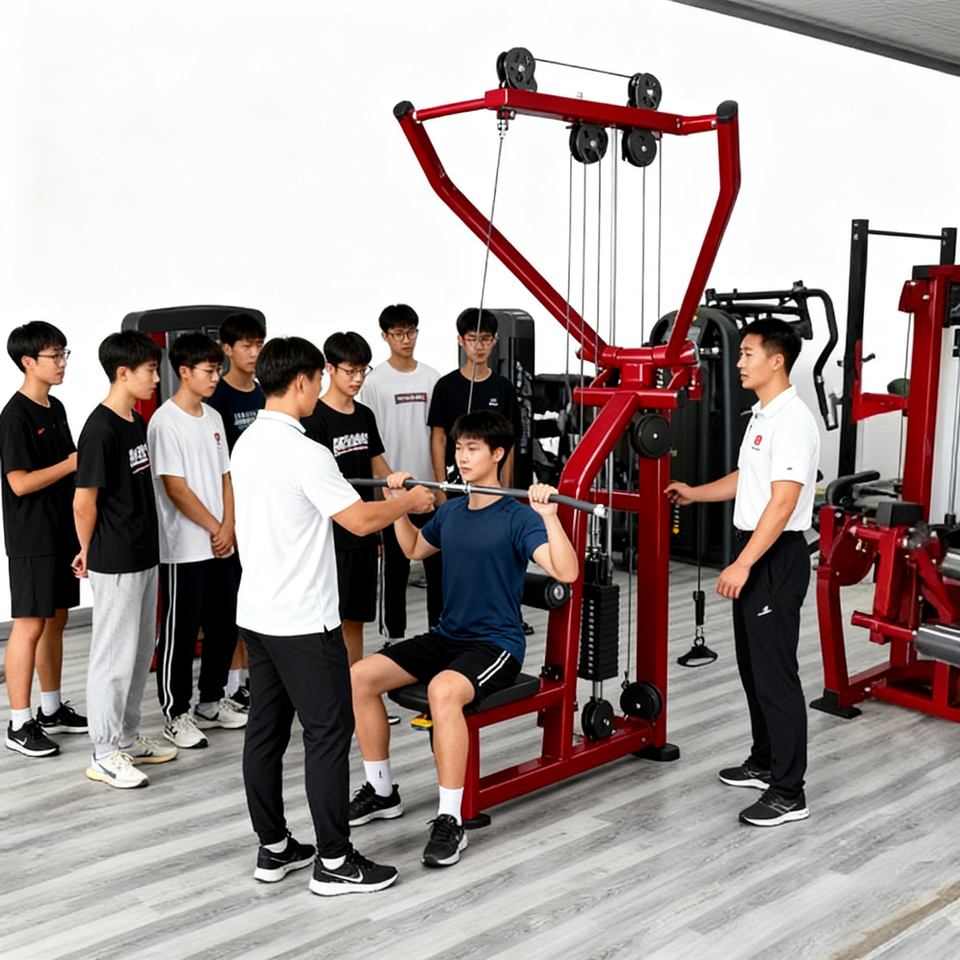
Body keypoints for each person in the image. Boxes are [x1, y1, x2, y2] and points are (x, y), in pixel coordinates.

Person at [230, 335, 434, 895]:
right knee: (327, 734)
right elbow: (359, 522)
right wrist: (408, 502)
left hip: (258, 615)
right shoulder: (306, 451)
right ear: (301, 381)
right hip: (302, 620)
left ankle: (274, 848)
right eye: (318, 378)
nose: (320, 387)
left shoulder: (247, 442)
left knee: (265, 733)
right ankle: (336, 861)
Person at [349, 410, 578, 867]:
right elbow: (413, 548)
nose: (462, 456)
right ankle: (381, 790)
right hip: (448, 635)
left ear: (498, 454)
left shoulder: (518, 518)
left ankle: (451, 819)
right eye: (458, 448)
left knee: (443, 691)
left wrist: (550, 517)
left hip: (496, 645)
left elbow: (566, 571)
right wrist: (397, 504)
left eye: (473, 448)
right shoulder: (452, 511)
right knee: (360, 675)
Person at [665, 318, 820, 827]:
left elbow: (783, 502)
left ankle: (789, 792)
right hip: (755, 547)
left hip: (774, 556)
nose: (739, 362)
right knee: (754, 670)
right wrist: (695, 493)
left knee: (776, 676)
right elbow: (746, 478)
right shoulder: (762, 416)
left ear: (777, 360)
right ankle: (764, 761)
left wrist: (743, 563)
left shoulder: (792, 422)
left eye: (748, 353)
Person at [73, 330, 178, 788]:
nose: (156, 378)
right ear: (123, 372)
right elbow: (84, 501)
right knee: (113, 657)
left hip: (143, 553)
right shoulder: (100, 429)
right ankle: (103, 752)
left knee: (138, 653)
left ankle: (126, 738)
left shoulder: (133, 418)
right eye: (150, 370)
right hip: (114, 558)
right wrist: (86, 549)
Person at [147, 332, 245, 751]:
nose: (216, 377)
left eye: (218, 370)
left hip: (221, 542)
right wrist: (214, 527)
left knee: (225, 623)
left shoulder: (213, 417)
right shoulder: (164, 422)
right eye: (209, 371)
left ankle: (210, 701)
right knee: (181, 632)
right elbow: (176, 488)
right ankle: (176, 714)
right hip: (183, 547)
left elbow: (226, 477)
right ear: (184, 371)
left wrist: (229, 526)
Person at [1, 322, 87, 758]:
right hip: (31, 536)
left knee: (57, 619)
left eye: (64, 354)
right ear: (28, 362)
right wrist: (71, 464)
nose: (62, 363)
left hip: (60, 530)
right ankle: (18, 723)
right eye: (55, 356)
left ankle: (51, 709)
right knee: (30, 623)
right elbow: (19, 483)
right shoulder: (14, 417)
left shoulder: (56, 406)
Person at [301, 332, 391, 667]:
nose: (357, 379)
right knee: (328, 621)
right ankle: (330, 691)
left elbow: (379, 467)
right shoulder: (314, 419)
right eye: (350, 371)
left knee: (355, 620)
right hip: (330, 537)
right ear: (329, 368)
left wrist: (400, 495)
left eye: (362, 371)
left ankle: (355, 689)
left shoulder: (365, 415)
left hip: (363, 535)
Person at [360, 304, 442, 638]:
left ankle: (439, 632)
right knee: (395, 568)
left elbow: (439, 435)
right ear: (385, 336)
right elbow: (369, 442)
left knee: (438, 567)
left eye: (411, 332)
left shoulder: (431, 377)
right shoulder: (373, 383)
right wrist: (383, 493)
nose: (406, 340)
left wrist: (439, 485)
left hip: (428, 487)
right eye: (398, 334)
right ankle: (393, 637)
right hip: (393, 491)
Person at [206, 311, 267, 711]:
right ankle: (232, 684)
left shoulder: (263, 393)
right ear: (227, 349)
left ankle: (252, 678)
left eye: (259, 344)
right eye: (246, 345)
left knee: (259, 597)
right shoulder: (217, 400)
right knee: (232, 605)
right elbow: (219, 470)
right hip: (232, 513)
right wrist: (227, 522)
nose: (254, 352)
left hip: (264, 510)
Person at [427, 308, 522, 495]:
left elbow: (509, 443)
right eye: (472, 339)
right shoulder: (445, 386)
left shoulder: (504, 387)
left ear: (494, 341)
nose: (479, 346)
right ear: (460, 340)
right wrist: (440, 487)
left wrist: (506, 488)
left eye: (485, 339)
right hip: (455, 484)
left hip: (492, 486)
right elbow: (438, 438)